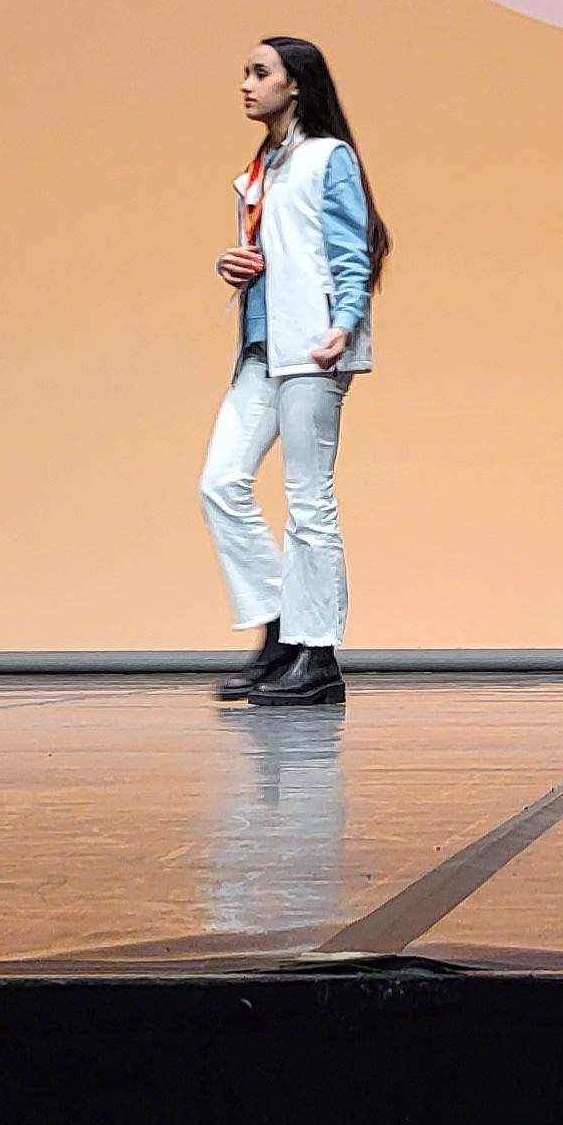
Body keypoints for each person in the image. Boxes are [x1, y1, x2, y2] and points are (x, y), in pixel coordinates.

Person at [199, 36, 387, 709]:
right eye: (245, 71)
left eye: (259, 73)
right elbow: (280, 249)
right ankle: (281, 633)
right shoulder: (262, 168)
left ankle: (319, 656)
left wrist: (346, 321)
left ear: (296, 85)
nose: (246, 84)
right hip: (260, 349)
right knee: (220, 482)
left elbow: (350, 245)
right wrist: (237, 266)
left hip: (312, 346)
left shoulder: (324, 157)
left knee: (309, 501)